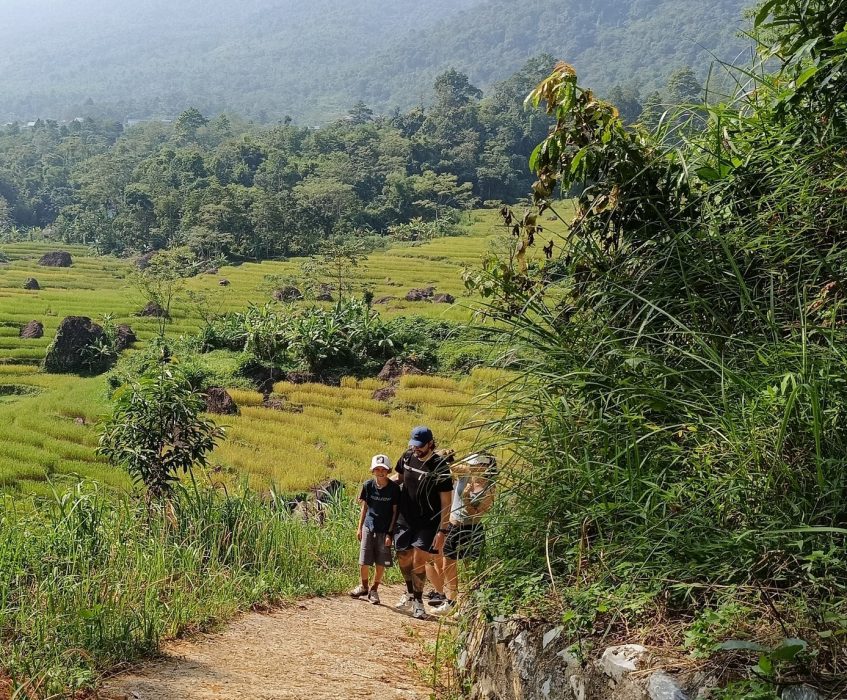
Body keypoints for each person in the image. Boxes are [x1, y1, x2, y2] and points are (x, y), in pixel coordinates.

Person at [393, 426, 453, 619]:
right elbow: (400, 478)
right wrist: (379, 484)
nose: (416, 449)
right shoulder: (407, 457)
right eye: (413, 445)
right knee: (403, 556)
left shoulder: (440, 467)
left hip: (428, 522)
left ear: (430, 443)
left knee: (419, 559)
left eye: (420, 446)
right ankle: (409, 593)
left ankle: (418, 601)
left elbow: (446, 501)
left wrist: (443, 530)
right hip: (405, 518)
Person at [430, 453, 496, 615]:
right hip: (453, 526)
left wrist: (467, 497)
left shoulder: (489, 488)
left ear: (485, 467)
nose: (473, 468)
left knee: (470, 567)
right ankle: (451, 602)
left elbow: (478, 513)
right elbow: (447, 468)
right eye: (471, 465)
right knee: (448, 564)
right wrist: (443, 457)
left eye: (476, 466)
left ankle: (467, 605)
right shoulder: (465, 473)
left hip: (471, 529)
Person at [350, 454, 400, 605]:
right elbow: (364, 508)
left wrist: (390, 533)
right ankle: (364, 586)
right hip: (368, 527)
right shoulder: (368, 486)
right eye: (377, 469)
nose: (380, 472)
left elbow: (395, 512)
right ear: (373, 471)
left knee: (380, 562)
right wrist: (359, 528)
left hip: (384, 530)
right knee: (363, 560)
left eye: (383, 469)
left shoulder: (394, 489)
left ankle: (374, 589)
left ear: (389, 470)